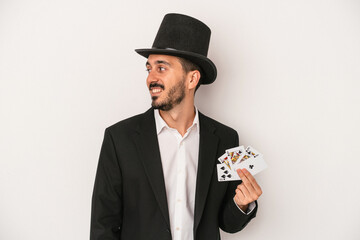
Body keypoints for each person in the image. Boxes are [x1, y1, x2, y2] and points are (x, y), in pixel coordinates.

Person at [90, 13, 262, 240]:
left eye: (161, 68)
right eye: (149, 68)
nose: (151, 78)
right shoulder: (119, 138)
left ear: (192, 79)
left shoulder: (226, 138)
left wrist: (242, 204)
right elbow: (103, 226)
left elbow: (226, 224)